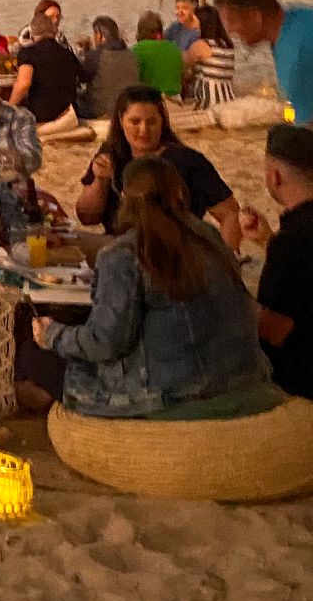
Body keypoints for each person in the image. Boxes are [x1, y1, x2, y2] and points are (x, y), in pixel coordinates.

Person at [30, 157, 273, 418]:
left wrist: (53, 334)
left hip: (177, 395)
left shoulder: (124, 254)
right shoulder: (209, 236)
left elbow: (106, 343)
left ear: (124, 197)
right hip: (245, 377)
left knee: (52, 362)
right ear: (179, 194)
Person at [75, 85, 240, 248]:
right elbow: (87, 217)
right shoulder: (112, 154)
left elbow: (230, 214)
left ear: (162, 121)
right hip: (120, 247)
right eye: (135, 122)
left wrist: (224, 262)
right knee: (66, 241)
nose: (143, 130)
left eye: (151, 122)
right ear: (121, 120)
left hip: (172, 253)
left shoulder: (186, 161)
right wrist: (99, 181)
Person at [258, 122, 313, 400]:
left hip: (301, 386)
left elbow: (274, 331)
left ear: (275, 176)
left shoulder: (291, 242)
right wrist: (266, 240)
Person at [214, 0, 313, 126]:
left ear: (256, 17)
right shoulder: (299, 17)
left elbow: (306, 123)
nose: (230, 31)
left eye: (232, 22)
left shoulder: (292, 55)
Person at [9, 8, 80, 125]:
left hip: (41, 114)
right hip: (69, 112)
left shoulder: (28, 52)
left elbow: (23, 84)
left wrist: (9, 107)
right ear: (53, 31)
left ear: (32, 33)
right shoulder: (67, 53)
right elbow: (80, 75)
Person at [80, 17, 138, 121]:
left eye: (94, 34)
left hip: (101, 110)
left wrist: (86, 52)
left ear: (100, 35)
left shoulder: (96, 55)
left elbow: (82, 77)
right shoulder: (131, 54)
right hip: (128, 107)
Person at [182, 3, 237, 110]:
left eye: (194, 21)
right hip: (228, 101)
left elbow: (180, 66)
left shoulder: (201, 45)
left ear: (202, 24)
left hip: (207, 103)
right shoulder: (227, 45)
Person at [131, 11, 184, 98]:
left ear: (140, 31)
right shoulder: (174, 48)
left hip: (151, 101)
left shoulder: (136, 50)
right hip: (175, 101)